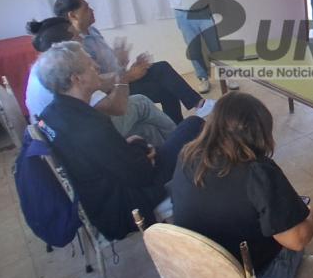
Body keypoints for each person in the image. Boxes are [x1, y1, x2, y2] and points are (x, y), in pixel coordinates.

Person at [36, 41, 204, 240]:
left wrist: (132, 148)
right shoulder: (90, 125)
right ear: (76, 78)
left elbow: (101, 156)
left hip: (100, 198)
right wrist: (143, 151)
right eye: (90, 65)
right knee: (194, 125)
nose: (97, 67)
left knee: (157, 132)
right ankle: (206, 199)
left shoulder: (51, 114)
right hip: (126, 206)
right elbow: (141, 175)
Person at [170, 92, 313, 278]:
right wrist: (311, 215)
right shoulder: (257, 172)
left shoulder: (187, 154)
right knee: (297, 240)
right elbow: (297, 240)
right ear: (260, 133)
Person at [54, 0, 212, 124]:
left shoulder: (93, 32)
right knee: (165, 85)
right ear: (73, 15)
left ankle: (184, 119)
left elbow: (110, 67)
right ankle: (195, 109)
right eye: (87, 8)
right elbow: (98, 84)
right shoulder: (76, 47)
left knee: (163, 71)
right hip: (114, 91)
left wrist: (122, 62)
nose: (92, 10)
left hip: (123, 78)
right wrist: (129, 75)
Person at [24, 17, 183, 148]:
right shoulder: (67, 69)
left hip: (66, 134)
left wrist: (122, 70)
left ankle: (172, 153)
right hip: (81, 138)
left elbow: (99, 82)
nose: (80, 37)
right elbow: (117, 108)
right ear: (63, 45)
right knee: (142, 102)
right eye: (75, 35)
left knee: (147, 129)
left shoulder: (45, 66)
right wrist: (124, 75)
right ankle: (183, 146)